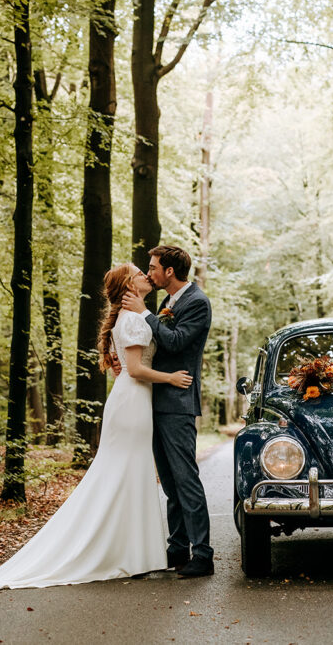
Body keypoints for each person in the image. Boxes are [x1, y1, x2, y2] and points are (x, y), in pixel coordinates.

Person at [0, 264, 192, 597]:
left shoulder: (133, 316)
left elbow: (126, 366)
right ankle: (121, 551)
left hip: (132, 402)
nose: (146, 274)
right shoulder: (132, 319)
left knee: (127, 474)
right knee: (123, 473)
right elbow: (134, 369)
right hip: (132, 404)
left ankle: (130, 551)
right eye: (139, 272)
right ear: (129, 285)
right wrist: (171, 378)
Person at [121, 245, 214, 578]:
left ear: (169, 272)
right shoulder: (167, 301)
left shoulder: (197, 303)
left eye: (153, 267)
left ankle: (203, 554)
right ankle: (178, 548)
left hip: (178, 402)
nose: (149, 273)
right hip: (154, 400)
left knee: (186, 479)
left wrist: (145, 314)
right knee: (171, 483)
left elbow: (175, 342)